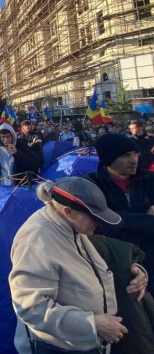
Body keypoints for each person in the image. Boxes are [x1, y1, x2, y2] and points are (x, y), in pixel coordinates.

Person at [9, 177, 148, 354]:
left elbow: (102, 258)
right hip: (58, 348)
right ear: (68, 212)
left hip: (89, 344)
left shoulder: (72, 227)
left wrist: (133, 270)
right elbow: (30, 308)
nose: (99, 224)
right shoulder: (36, 240)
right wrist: (93, 325)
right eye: (94, 218)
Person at [85, 133, 154, 286]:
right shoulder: (92, 186)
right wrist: (147, 220)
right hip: (119, 263)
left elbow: (113, 220)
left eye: (135, 154)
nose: (133, 160)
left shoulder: (149, 179)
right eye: (126, 156)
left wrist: (121, 220)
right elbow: (101, 226)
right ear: (108, 159)